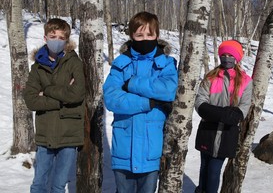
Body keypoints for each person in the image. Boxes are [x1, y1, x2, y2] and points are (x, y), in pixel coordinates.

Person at [103, 11, 178, 193]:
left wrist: (132, 83)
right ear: (131, 36)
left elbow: (168, 90)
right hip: (124, 149)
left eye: (149, 34)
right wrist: (149, 103)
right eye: (139, 35)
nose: (144, 38)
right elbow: (112, 98)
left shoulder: (166, 63)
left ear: (157, 35)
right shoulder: (121, 63)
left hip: (151, 148)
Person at [24, 18, 85, 193]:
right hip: (46, 133)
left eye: (61, 37)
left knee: (58, 186)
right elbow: (31, 100)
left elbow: (77, 94)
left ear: (66, 40)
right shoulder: (37, 68)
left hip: (69, 133)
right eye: (53, 36)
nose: (56, 41)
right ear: (45, 38)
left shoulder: (74, 62)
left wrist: (48, 90)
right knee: (38, 184)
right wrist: (63, 96)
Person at [194, 40, 252, 193]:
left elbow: (240, 113)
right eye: (224, 55)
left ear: (237, 58)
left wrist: (213, 112)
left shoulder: (246, 81)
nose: (227, 58)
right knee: (204, 167)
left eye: (230, 55)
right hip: (208, 131)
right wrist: (225, 113)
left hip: (227, 135)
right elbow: (200, 104)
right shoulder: (211, 77)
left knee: (214, 171)